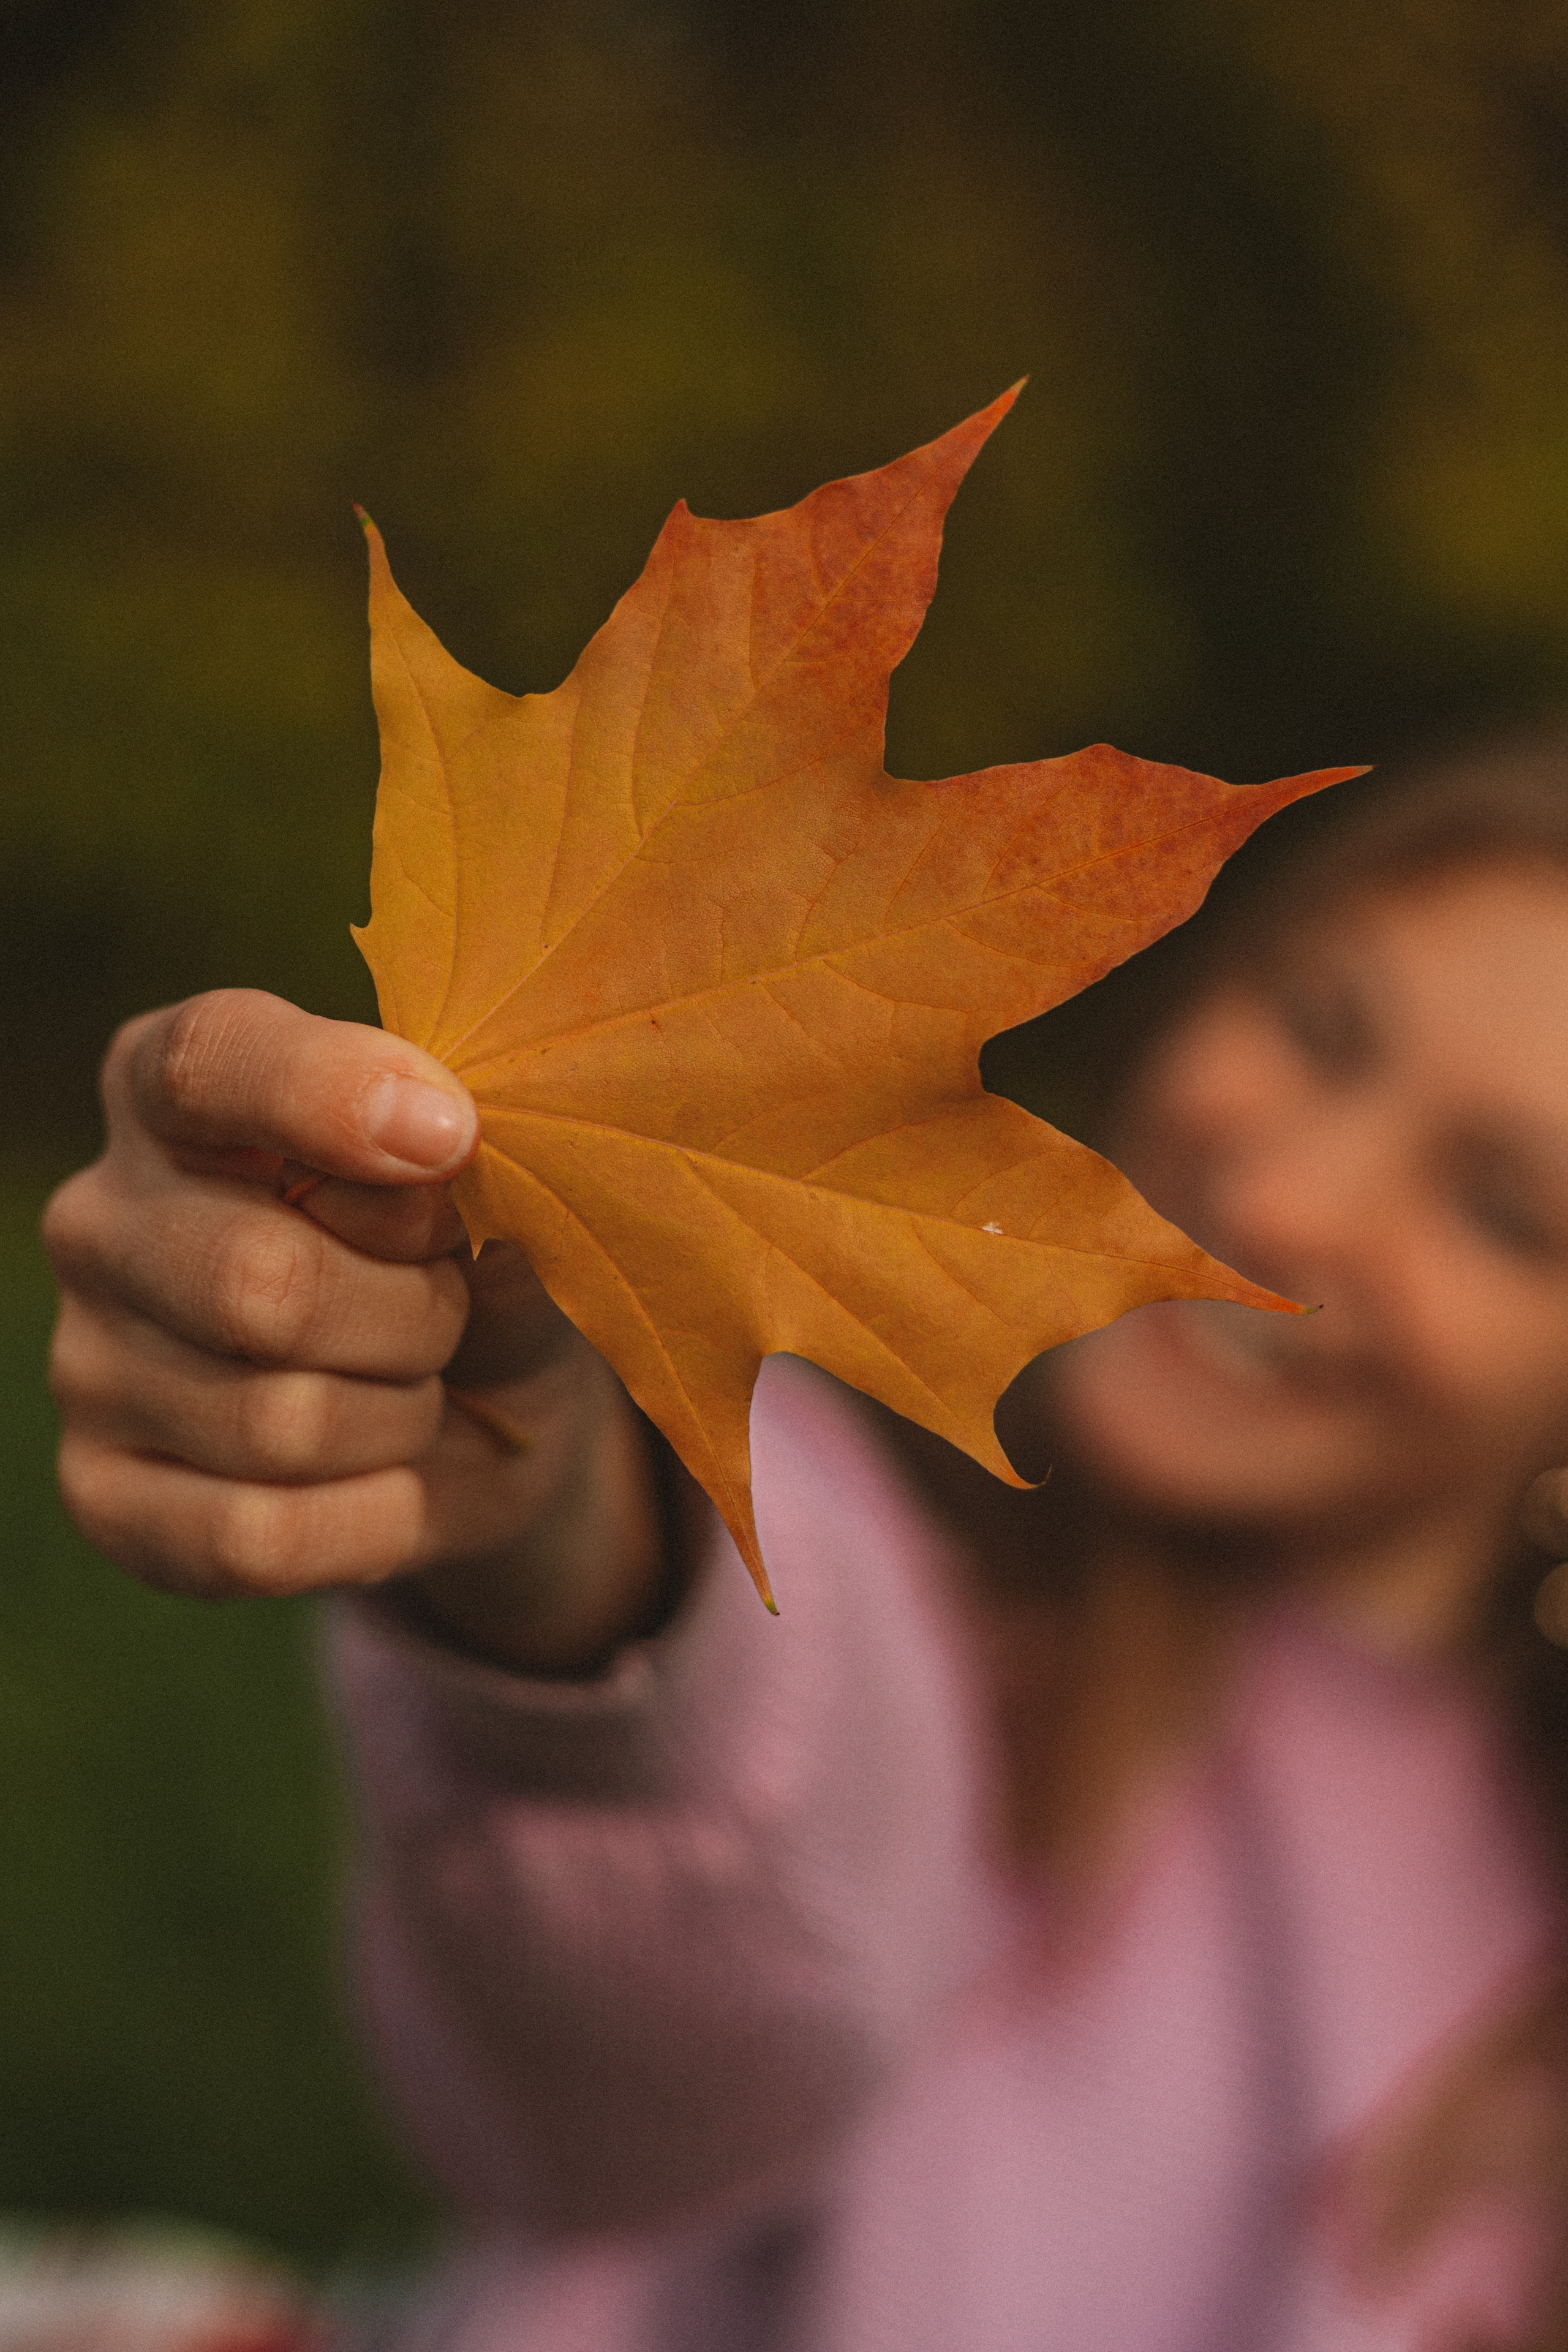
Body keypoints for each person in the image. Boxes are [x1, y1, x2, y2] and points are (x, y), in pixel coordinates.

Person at [41, 736, 1568, 2350]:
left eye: (1501, 1209)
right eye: (1320, 1029)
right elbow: (676, 2048)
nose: (1293, 1200)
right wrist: (567, 1518)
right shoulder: (853, 1511)